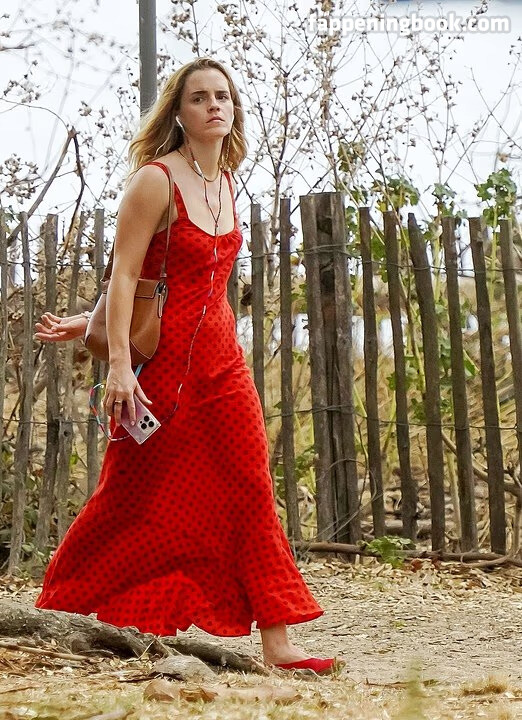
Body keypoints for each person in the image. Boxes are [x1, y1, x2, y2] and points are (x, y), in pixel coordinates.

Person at [33, 57, 338, 674]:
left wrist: (91, 323)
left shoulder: (227, 180)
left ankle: (278, 642)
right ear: (178, 111)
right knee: (134, 494)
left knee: (251, 488)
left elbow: (197, 284)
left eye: (222, 96)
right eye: (199, 98)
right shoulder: (154, 181)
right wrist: (119, 364)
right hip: (162, 370)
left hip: (224, 365)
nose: (214, 106)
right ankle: (62, 610)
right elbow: (126, 275)